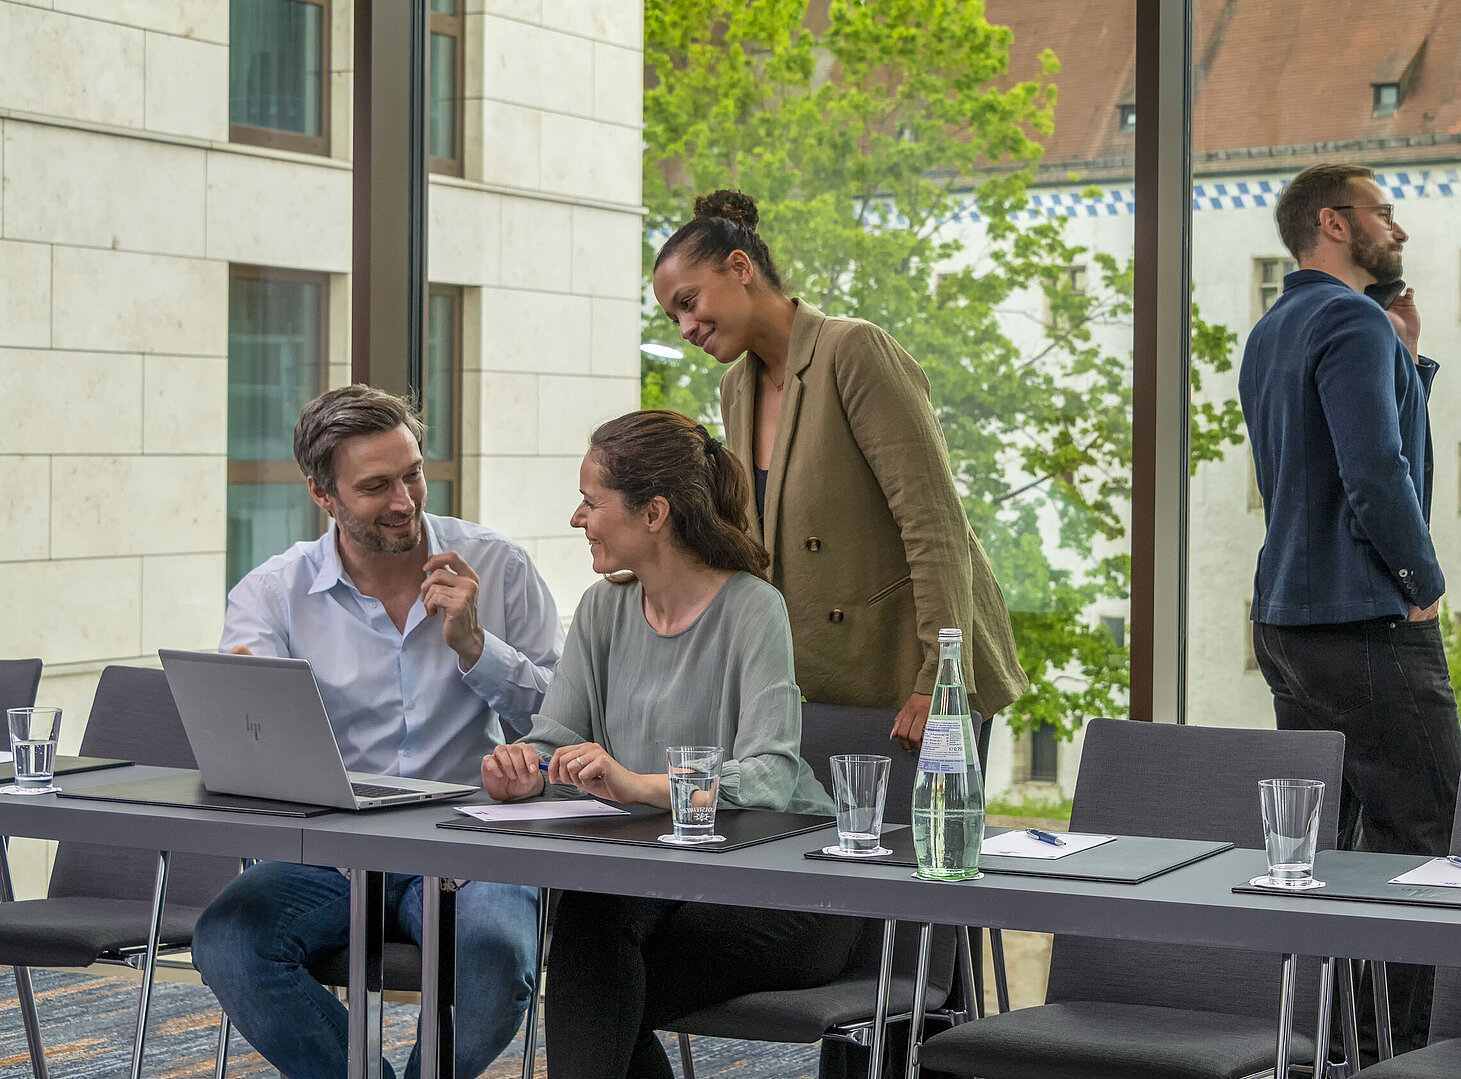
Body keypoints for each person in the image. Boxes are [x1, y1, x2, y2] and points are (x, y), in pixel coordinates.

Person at [194, 385, 562, 1079]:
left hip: (469, 840)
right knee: (230, 941)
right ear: (322, 493)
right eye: (375, 485)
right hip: (328, 852)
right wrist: (249, 715)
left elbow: (563, 728)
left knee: (497, 953)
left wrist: (477, 647)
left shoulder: (501, 567)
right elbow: (248, 755)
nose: (404, 499)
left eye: (412, 472)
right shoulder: (272, 594)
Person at [481, 409, 862, 1078]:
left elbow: (771, 776)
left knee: (594, 975)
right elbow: (555, 739)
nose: (577, 518)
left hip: (787, 890)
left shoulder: (753, 607)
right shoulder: (602, 610)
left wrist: (637, 785)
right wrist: (526, 769)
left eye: (590, 502)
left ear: (653, 511)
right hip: (659, 883)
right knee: (592, 934)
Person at [649, 189, 1026, 751]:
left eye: (688, 301)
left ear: (740, 267)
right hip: (819, 682)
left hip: (910, 674)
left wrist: (938, 678)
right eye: (673, 315)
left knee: (926, 839)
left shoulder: (853, 350)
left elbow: (934, 524)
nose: (684, 327)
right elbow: (756, 542)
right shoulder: (736, 388)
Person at [1237, 163, 1461, 1048]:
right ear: (1332, 223)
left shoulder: (1275, 328)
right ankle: (1404, 1055)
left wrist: (1407, 361)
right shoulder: (1350, 318)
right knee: (1430, 836)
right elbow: (1376, 472)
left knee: (1336, 845)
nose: (1397, 229)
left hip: (1287, 618)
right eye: (1383, 213)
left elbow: (1333, 455)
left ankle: (1334, 1046)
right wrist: (1425, 583)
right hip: (1365, 614)